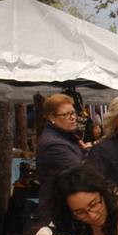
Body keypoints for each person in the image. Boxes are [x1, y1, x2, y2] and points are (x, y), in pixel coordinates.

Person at [35, 93, 85, 222]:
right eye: (66, 115)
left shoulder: (65, 136)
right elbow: (79, 172)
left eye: (73, 113)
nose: (73, 118)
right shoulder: (53, 143)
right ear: (52, 117)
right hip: (59, 211)